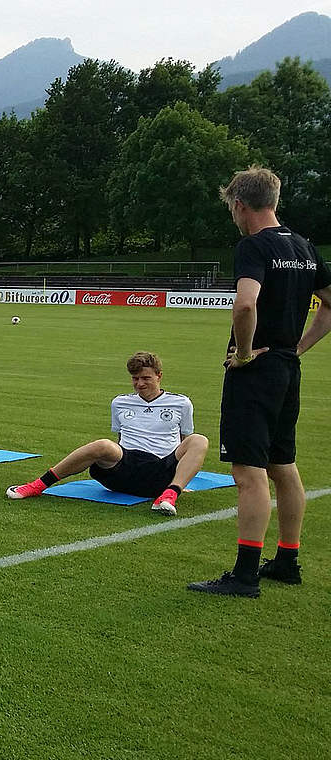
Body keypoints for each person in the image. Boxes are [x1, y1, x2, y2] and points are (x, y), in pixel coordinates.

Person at [189, 167, 331, 598]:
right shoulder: (305, 247)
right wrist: (298, 348)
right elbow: (329, 305)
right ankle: (287, 559)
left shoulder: (253, 246)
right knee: (282, 464)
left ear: (239, 204)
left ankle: (245, 573)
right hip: (288, 368)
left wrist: (246, 353)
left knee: (248, 470)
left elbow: (244, 305)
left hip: (255, 372)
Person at [6, 352, 208, 515]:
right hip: (124, 470)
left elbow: (183, 441)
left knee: (199, 440)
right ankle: (37, 486)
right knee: (103, 444)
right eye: (135, 379)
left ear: (159, 376)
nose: (140, 384)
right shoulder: (120, 402)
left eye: (146, 378)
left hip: (160, 471)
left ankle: (170, 494)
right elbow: (120, 440)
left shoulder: (181, 403)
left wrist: (180, 478)